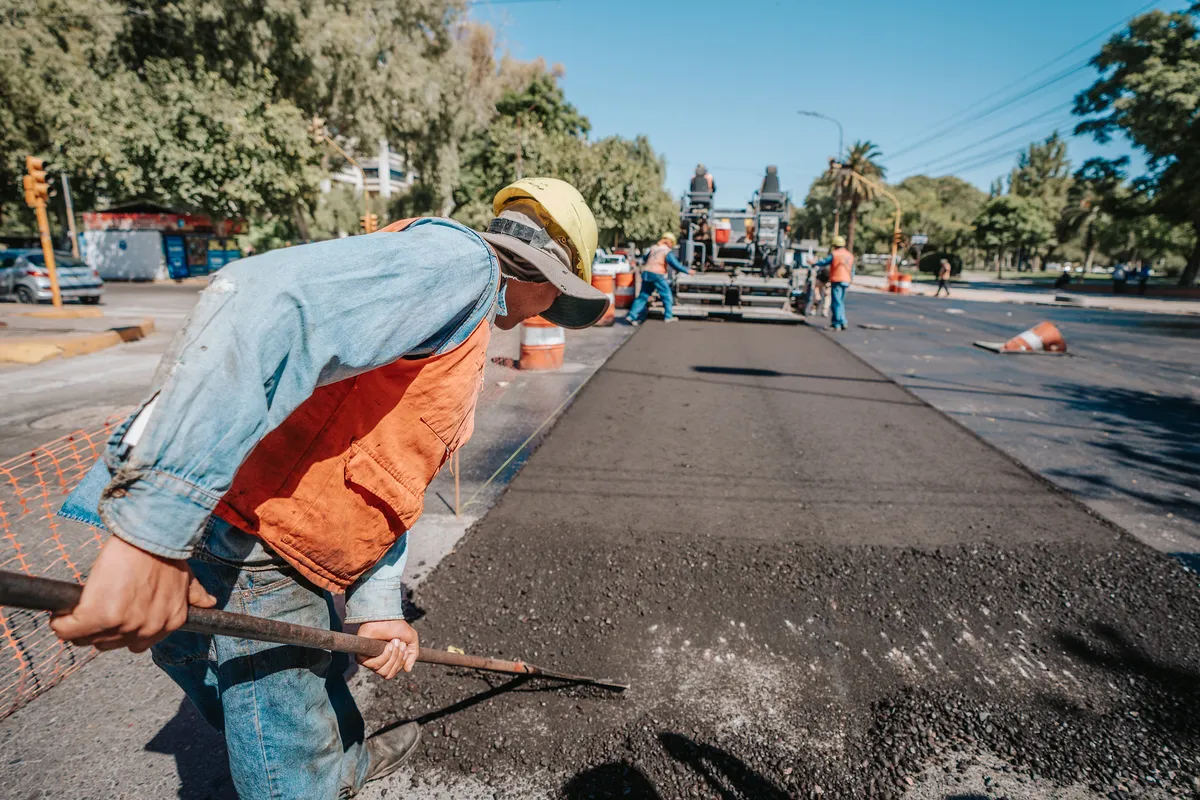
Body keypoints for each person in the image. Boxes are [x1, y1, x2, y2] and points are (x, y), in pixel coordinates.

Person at [51, 178, 610, 799]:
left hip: (280, 534)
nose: (542, 316)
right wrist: (150, 537)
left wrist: (376, 610)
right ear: (545, 274)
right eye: (554, 301)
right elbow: (266, 301)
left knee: (222, 667)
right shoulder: (461, 266)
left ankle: (331, 758)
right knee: (281, 747)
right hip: (262, 540)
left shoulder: (462, 313)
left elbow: (385, 470)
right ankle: (302, 770)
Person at [626, 232, 688, 325]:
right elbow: (675, 264)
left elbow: (645, 258)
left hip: (646, 273)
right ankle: (668, 316)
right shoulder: (666, 251)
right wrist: (687, 271)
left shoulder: (653, 248)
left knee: (643, 296)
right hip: (657, 275)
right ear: (670, 242)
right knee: (666, 295)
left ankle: (631, 316)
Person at [812, 235, 853, 329]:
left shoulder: (835, 254)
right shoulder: (849, 255)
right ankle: (842, 321)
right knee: (840, 301)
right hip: (846, 280)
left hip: (837, 279)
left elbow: (824, 262)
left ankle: (838, 322)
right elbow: (852, 269)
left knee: (836, 302)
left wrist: (814, 263)